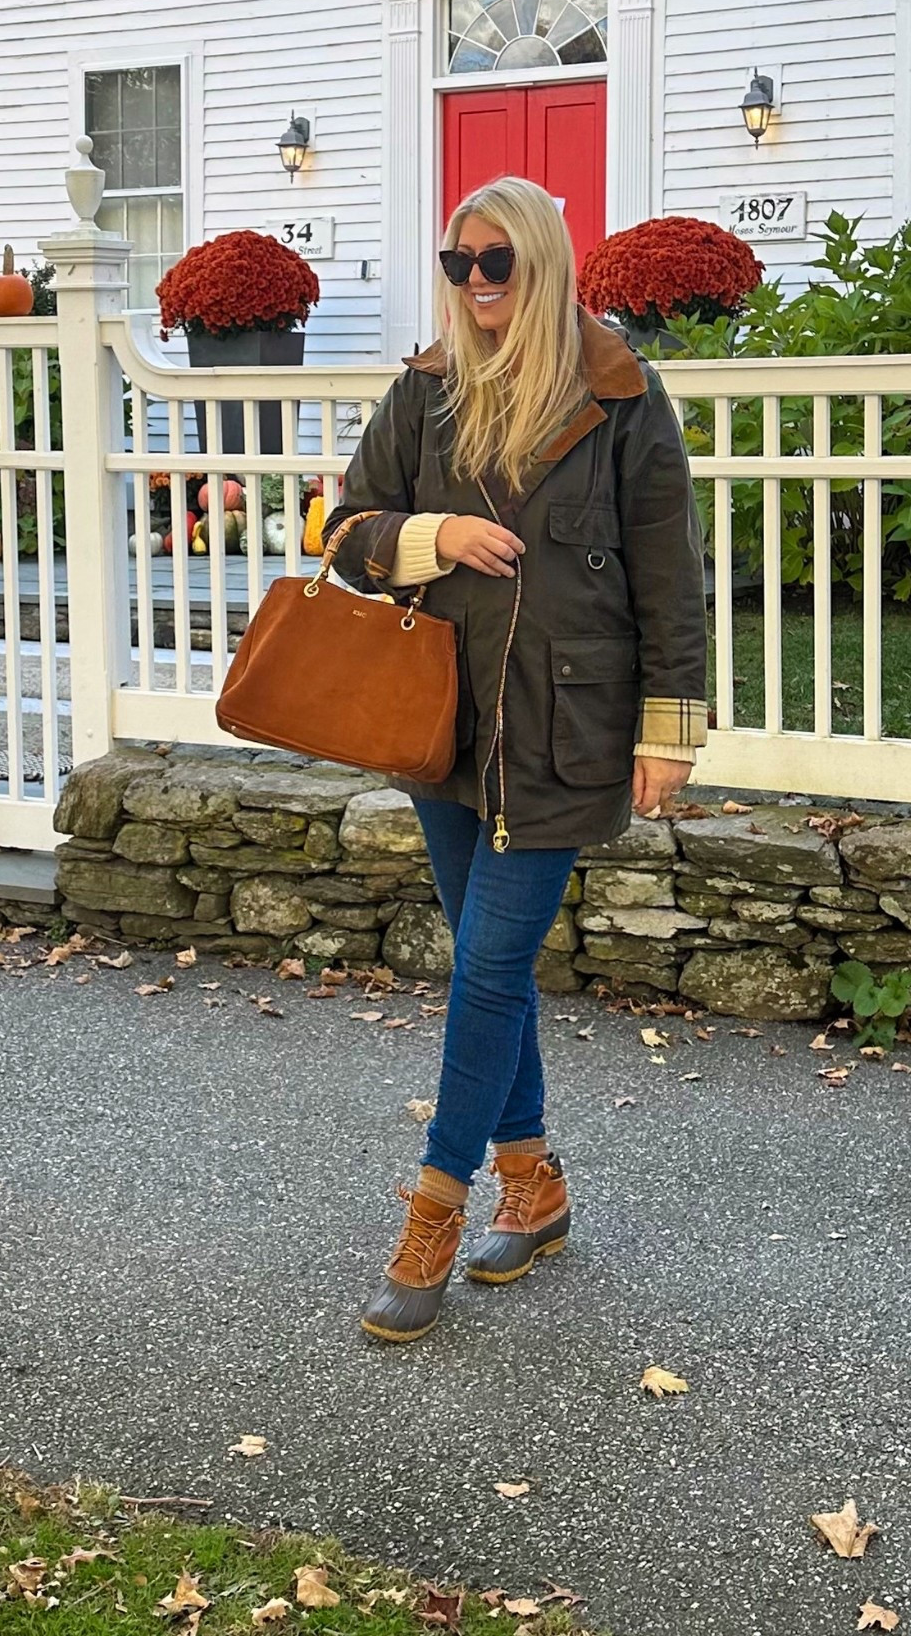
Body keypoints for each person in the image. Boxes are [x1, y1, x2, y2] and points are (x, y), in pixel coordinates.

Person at [322, 176, 708, 1344]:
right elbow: (345, 533)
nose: (479, 284)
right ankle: (533, 1182)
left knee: (486, 972)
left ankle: (434, 1209)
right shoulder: (426, 390)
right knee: (489, 971)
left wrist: (670, 726)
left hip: (565, 735)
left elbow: (668, 574)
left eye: (499, 262)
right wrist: (429, 536)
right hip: (442, 728)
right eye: (460, 264)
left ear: (545, 263)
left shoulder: (620, 396)